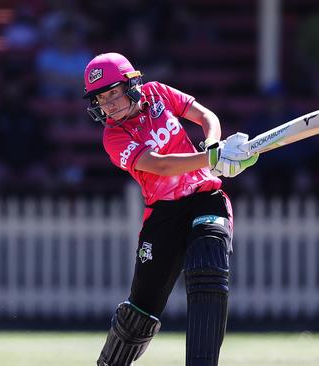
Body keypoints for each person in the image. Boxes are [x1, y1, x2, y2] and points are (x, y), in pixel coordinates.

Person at [83, 53, 258, 366]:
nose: (108, 104)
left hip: (205, 196)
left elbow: (207, 118)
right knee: (139, 312)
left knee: (208, 269)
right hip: (163, 214)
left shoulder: (157, 93)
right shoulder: (113, 136)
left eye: (113, 93)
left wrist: (214, 145)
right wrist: (212, 160)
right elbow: (160, 165)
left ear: (131, 84)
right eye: (101, 98)